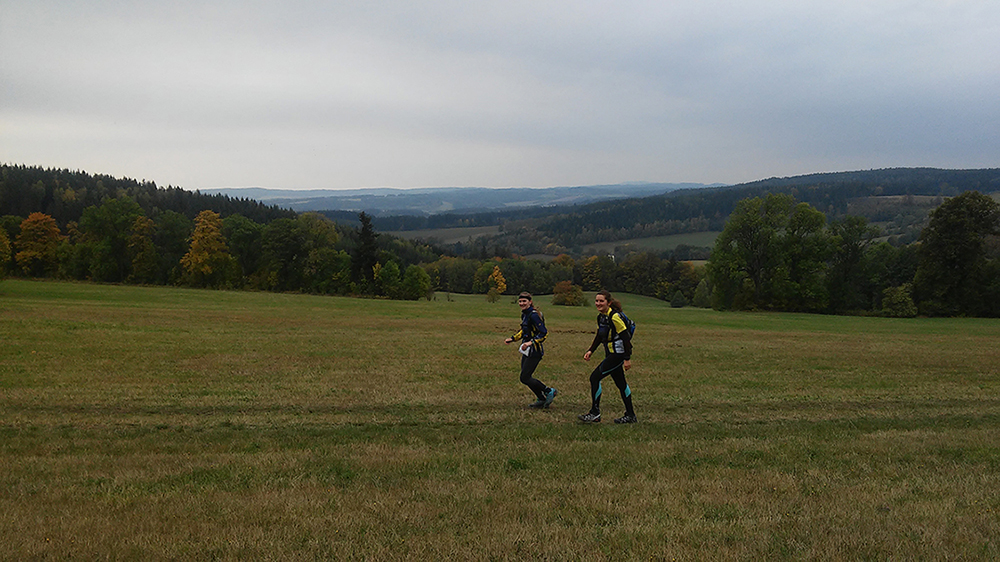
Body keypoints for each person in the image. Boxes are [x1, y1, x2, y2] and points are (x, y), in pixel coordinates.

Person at [578, 290, 637, 424]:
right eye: (597, 301)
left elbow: (625, 337)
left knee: (594, 378)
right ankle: (631, 415)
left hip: (617, 355)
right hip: (610, 354)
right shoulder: (601, 317)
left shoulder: (614, 317)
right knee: (621, 384)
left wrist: (627, 358)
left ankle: (595, 413)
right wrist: (590, 350)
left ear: (608, 303)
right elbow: (600, 335)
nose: (598, 303)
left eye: (601, 301)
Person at [505, 292, 558, 409]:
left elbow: (544, 333)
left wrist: (531, 342)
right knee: (525, 377)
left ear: (530, 302)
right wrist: (513, 339)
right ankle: (541, 398)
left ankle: (549, 391)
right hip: (527, 350)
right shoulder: (525, 314)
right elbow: (524, 331)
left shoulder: (533, 315)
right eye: (520, 301)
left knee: (525, 377)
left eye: (524, 301)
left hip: (535, 351)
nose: (522, 303)